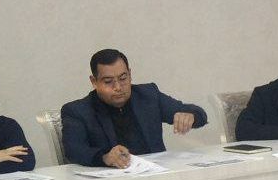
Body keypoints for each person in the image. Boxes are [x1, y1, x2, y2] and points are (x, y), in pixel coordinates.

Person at [60, 48, 208, 167]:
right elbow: (74, 150)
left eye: (123, 78)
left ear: (130, 74)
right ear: (94, 81)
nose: (118, 87)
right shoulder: (77, 111)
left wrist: (191, 116)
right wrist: (105, 157)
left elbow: (199, 114)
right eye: (108, 81)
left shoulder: (148, 96)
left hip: (155, 175)